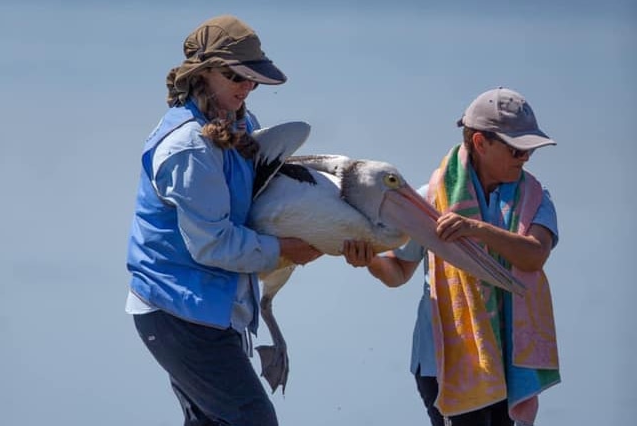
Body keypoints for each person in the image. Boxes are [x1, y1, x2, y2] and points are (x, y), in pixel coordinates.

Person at [125, 15, 322, 426]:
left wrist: (327, 236)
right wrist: (288, 251)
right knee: (253, 419)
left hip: (212, 307)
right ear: (204, 74)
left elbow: (263, 203)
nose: (247, 87)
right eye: (236, 76)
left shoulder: (242, 124)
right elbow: (212, 244)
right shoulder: (188, 147)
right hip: (178, 311)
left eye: (254, 79)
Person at [344, 87, 561, 426]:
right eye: (517, 149)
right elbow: (398, 271)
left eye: (529, 149)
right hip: (442, 361)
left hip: (508, 361)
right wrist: (368, 258)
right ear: (480, 143)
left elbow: (534, 256)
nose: (526, 158)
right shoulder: (429, 199)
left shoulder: (536, 198)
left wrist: (475, 229)